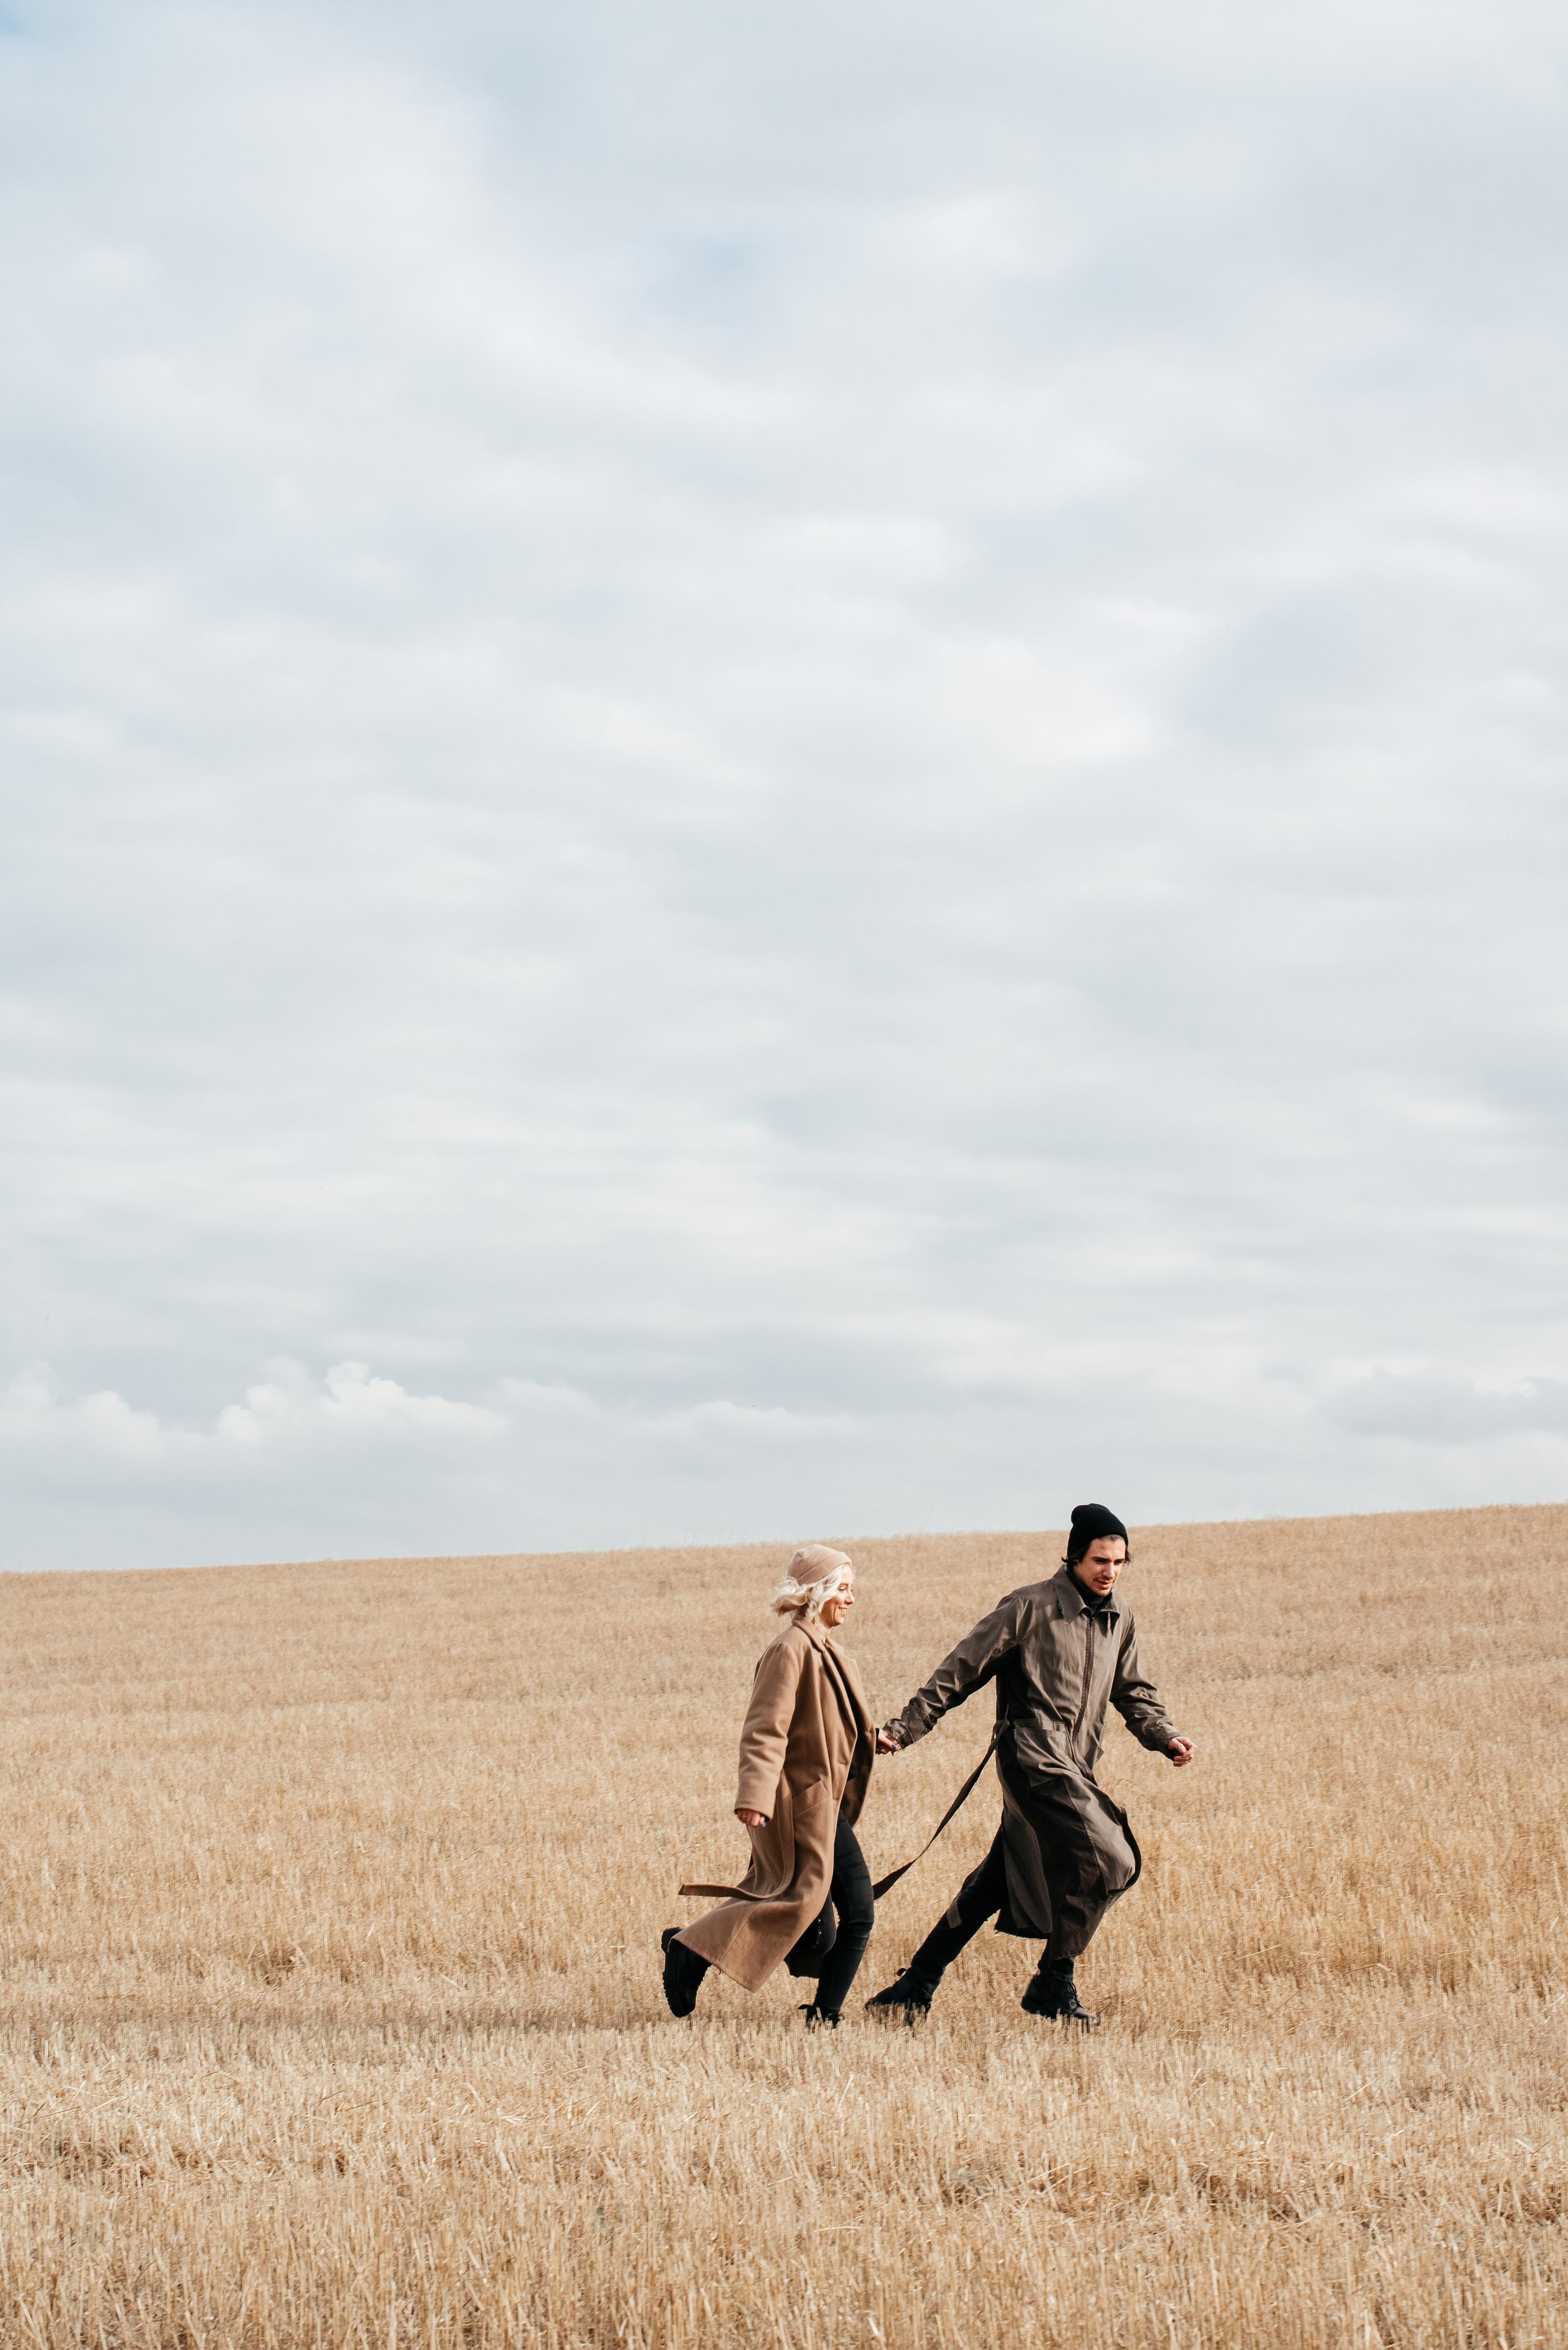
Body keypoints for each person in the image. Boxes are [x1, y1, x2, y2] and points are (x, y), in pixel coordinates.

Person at [865, 1504, 1192, 2027]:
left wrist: (1165, 1734)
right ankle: (1054, 1981)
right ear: (1073, 1557)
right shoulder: (1029, 1607)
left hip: (1078, 1764)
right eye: (1100, 1560)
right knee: (1114, 1858)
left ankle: (913, 1986)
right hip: (1033, 1759)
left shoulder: (1119, 1617)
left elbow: (1133, 1691)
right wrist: (905, 1728)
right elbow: (959, 1670)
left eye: (1119, 1561)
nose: (1110, 1571)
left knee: (997, 1880)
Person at [662, 1544, 876, 2028]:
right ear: (816, 1593)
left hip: (827, 1804)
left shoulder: (833, 1653)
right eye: (842, 1588)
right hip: (800, 1806)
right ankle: (823, 2017)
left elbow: (831, 1723)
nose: (851, 1598)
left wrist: (873, 1736)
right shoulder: (790, 1649)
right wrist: (756, 1797)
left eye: (850, 1589)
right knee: (842, 1910)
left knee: (811, 1911)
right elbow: (764, 1729)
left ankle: (692, 1948)